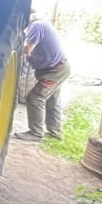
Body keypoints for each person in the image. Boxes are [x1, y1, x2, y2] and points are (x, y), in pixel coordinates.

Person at [14, 11, 71, 142]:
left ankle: (36, 133)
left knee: (35, 98)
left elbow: (27, 49)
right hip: (59, 68)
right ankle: (55, 132)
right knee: (52, 100)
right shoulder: (42, 25)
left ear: (30, 15)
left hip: (55, 71)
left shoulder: (36, 26)